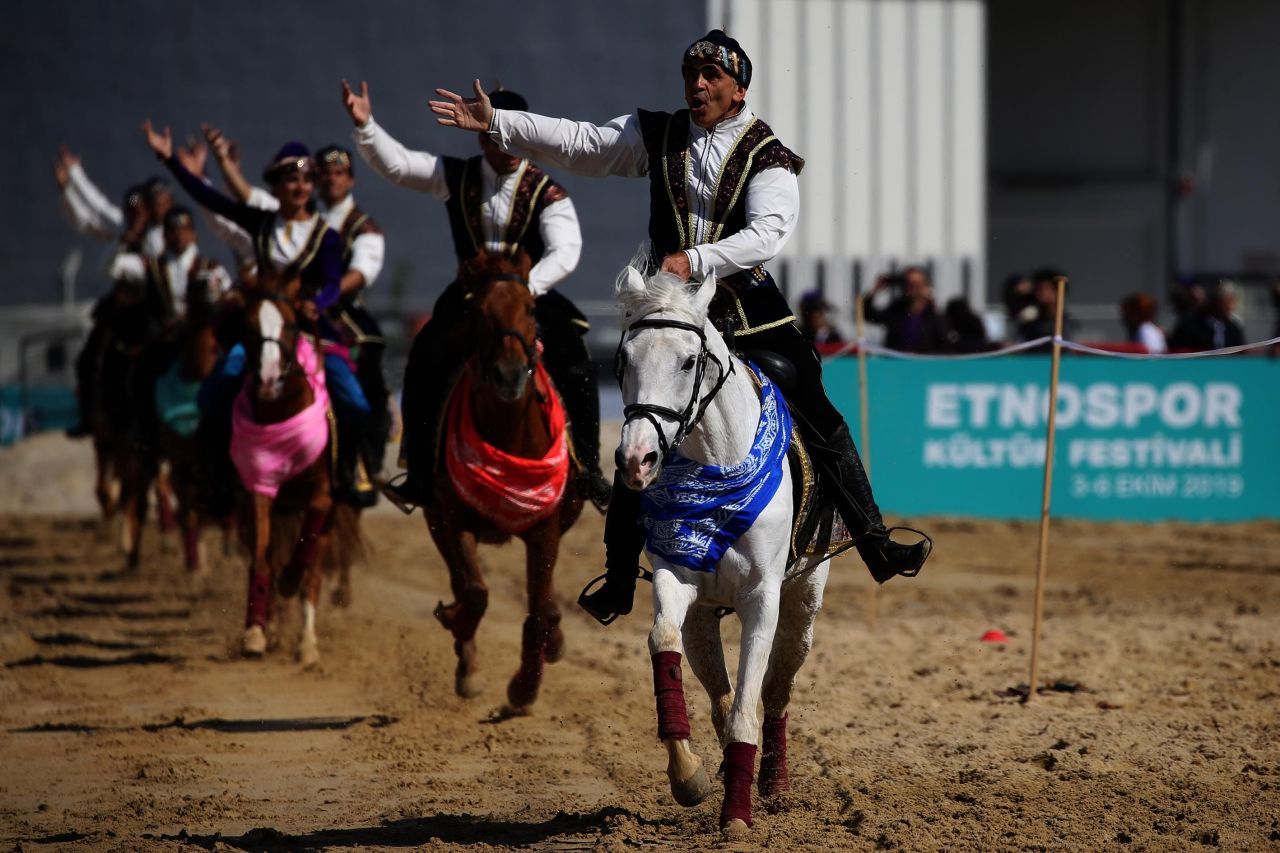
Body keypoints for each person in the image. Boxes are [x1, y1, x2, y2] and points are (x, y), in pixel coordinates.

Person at [429, 30, 930, 622]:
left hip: (743, 309)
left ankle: (872, 540)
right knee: (640, 430)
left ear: (739, 87)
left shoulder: (768, 153)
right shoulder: (657, 132)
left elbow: (768, 232)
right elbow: (583, 142)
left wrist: (698, 259)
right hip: (666, 306)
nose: (696, 84)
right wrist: (501, 125)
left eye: (711, 75)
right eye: (690, 73)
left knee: (812, 403)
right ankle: (619, 578)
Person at [341, 79, 609, 512]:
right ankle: (422, 473)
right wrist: (366, 125)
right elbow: (399, 166)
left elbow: (566, 251)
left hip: (532, 296)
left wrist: (523, 290)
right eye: (490, 134)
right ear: (480, 136)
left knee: (576, 359)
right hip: (470, 298)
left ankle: (589, 469)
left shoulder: (547, 191)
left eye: (507, 133)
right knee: (426, 355)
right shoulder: (457, 176)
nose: (498, 142)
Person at [142, 121, 374, 509]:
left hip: (308, 329)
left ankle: (351, 472)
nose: (298, 187)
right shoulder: (261, 222)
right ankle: (218, 474)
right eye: (289, 179)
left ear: (312, 186)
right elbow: (210, 198)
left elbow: (334, 281)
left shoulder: (327, 236)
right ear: (276, 186)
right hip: (262, 329)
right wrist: (170, 161)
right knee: (215, 391)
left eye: (304, 180)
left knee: (355, 402)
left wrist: (318, 301)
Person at [203, 125, 391, 500]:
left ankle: (362, 461)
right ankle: (219, 465)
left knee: (367, 353)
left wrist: (324, 295)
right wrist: (224, 164)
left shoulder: (363, 226)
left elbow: (361, 271)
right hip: (283, 308)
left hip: (336, 310)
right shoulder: (294, 212)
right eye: (326, 173)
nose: (332, 179)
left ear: (351, 179)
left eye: (340, 173)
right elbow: (249, 198)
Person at [864, 266, 950, 353]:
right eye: (910, 284)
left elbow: (944, 343)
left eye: (917, 284)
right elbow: (868, 315)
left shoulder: (933, 314)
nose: (914, 288)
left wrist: (931, 301)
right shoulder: (897, 310)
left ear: (925, 285)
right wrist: (875, 291)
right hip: (897, 362)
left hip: (924, 362)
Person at [1169, 280, 1245, 351]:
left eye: (1232, 302)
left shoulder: (1233, 329)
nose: (1231, 307)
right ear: (1215, 302)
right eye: (1228, 302)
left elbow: (1241, 354)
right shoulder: (1191, 325)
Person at [1017, 268, 1070, 342]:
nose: (1043, 293)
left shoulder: (1065, 319)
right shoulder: (1029, 315)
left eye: (1048, 288)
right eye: (1039, 289)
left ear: (1058, 292)